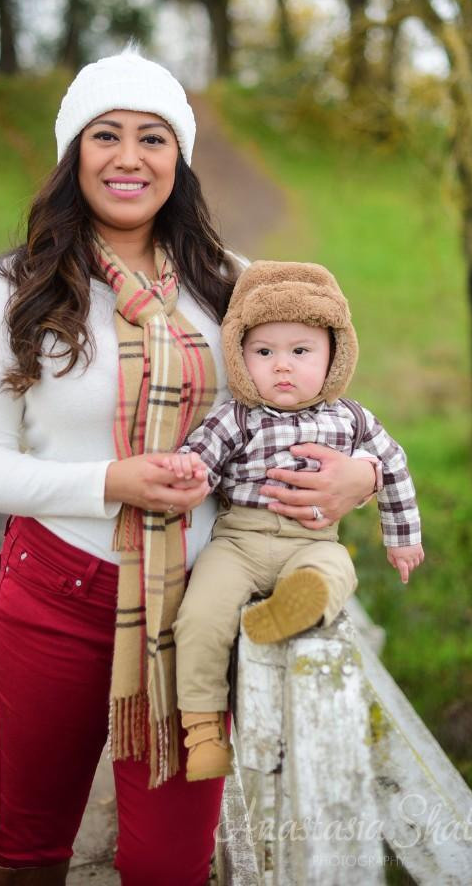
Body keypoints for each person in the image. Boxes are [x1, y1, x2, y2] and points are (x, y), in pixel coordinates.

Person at [0, 48, 380, 885]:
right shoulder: (13, 291)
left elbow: (319, 402)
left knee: (168, 865)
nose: (129, 157)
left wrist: (357, 478)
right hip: (56, 594)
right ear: (74, 153)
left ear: (178, 157)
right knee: (31, 849)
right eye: (105, 134)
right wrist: (113, 482)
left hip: (197, 604)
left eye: (153, 137)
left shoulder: (233, 285)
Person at [167, 260, 424, 782]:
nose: (282, 367)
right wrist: (186, 477)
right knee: (199, 617)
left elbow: (393, 465)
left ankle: (295, 607)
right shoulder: (235, 417)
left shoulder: (350, 418)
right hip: (238, 542)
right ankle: (204, 730)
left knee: (335, 572)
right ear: (240, 358)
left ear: (334, 356)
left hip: (313, 539)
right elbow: (199, 461)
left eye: (300, 352)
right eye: (264, 353)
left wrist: (402, 539)